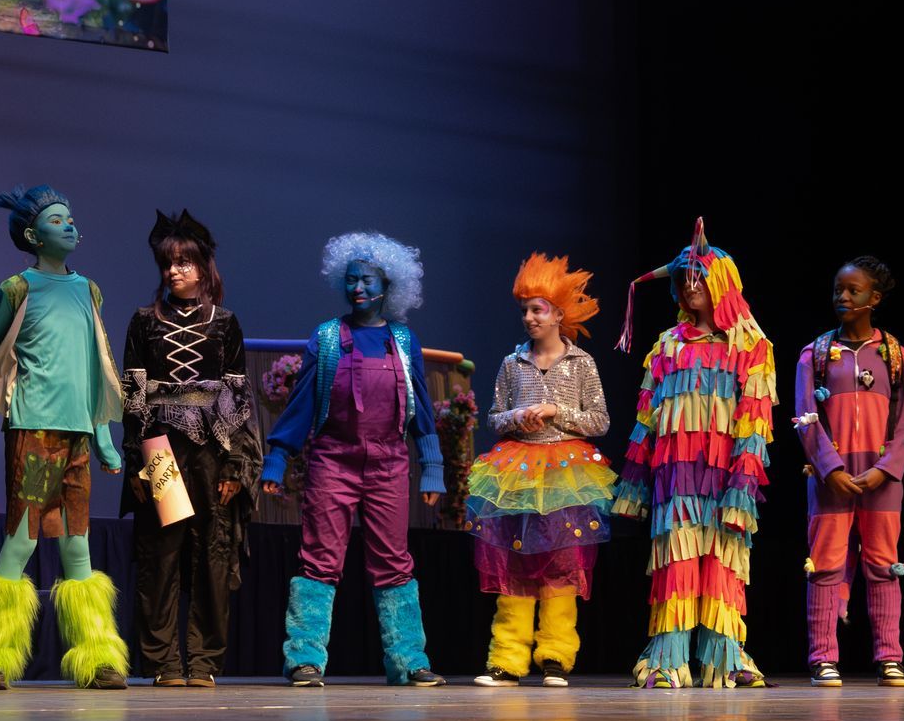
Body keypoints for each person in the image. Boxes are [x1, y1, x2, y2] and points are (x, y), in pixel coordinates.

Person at [0, 185, 129, 690]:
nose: (67, 224)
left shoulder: (89, 289)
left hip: (78, 436)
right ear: (31, 233)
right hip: (36, 431)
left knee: (77, 546)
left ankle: (97, 656)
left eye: (70, 217)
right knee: (21, 540)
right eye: (55, 218)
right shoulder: (19, 288)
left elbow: (97, 367)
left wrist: (104, 438)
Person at [261, 232, 447, 688]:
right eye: (350, 280)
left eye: (366, 280)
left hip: (388, 463)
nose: (357, 288)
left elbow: (420, 408)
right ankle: (304, 659)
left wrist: (433, 467)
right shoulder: (326, 338)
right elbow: (302, 404)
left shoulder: (402, 342)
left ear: (388, 285)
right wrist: (277, 459)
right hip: (333, 461)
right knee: (319, 559)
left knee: (394, 561)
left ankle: (409, 661)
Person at [611, 217, 775, 689]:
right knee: (676, 566)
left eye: (700, 277)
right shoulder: (667, 346)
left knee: (724, 563)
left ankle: (725, 656)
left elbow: (755, 423)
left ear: (724, 283)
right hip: (676, 481)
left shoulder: (751, 348)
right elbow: (646, 419)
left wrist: (743, 487)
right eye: (684, 278)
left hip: (726, 478)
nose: (690, 285)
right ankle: (667, 658)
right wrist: (634, 485)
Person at [120, 210, 260, 687]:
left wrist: (237, 463)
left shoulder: (226, 323)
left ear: (204, 267)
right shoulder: (143, 322)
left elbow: (238, 395)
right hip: (160, 449)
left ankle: (203, 663)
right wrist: (135, 461)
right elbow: (134, 393)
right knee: (162, 559)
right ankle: (162, 664)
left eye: (185, 262)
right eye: (168, 263)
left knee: (211, 557)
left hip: (211, 451)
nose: (175, 271)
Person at [469, 253, 613, 688]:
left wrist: (557, 412)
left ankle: (555, 655)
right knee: (514, 559)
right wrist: (519, 417)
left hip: (565, 469)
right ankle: (508, 659)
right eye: (525, 310)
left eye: (538, 309)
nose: (529, 318)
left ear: (558, 314)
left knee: (561, 562)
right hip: (518, 468)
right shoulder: (512, 364)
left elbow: (600, 421)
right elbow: (493, 417)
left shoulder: (581, 363)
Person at [794, 256, 904, 687]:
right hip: (832, 480)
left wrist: (886, 470)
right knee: (825, 565)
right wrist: (831, 469)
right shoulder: (816, 354)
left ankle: (889, 657)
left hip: (882, 480)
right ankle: (823, 657)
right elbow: (806, 415)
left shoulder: (896, 356)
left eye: (853, 290)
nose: (842, 297)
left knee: (884, 565)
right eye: (837, 290)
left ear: (874, 298)